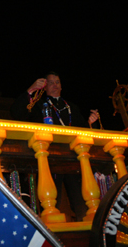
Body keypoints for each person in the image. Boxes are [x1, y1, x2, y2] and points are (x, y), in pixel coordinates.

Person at [10, 71, 100, 221]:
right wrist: (31, 90)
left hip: (74, 159)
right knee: (51, 203)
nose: (54, 85)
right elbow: (16, 113)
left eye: (57, 82)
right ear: (44, 87)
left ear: (61, 86)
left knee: (82, 203)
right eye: (50, 82)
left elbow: (85, 130)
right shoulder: (38, 105)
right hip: (49, 157)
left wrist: (92, 123)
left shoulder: (72, 107)